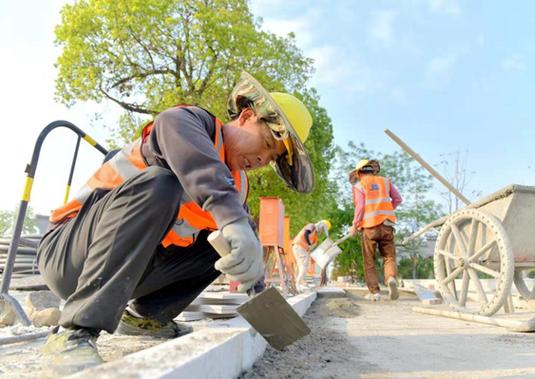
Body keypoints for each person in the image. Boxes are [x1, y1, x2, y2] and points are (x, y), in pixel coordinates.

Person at [38, 72, 315, 375]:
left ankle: (147, 318)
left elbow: (234, 225)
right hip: (67, 255)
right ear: (247, 116)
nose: (261, 158)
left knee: (231, 239)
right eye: (265, 144)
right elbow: (191, 154)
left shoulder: (236, 186)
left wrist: (254, 277)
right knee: (163, 183)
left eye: (270, 158)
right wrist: (233, 219)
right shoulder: (188, 123)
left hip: (129, 272)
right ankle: (74, 332)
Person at [349, 159, 402, 301]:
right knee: (389, 257)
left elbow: (360, 206)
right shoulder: (385, 181)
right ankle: (391, 278)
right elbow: (397, 199)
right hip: (387, 224)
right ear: (372, 170)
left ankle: (374, 293)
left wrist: (354, 225)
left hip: (369, 227)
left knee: (369, 260)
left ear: (359, 173)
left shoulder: (359, 185)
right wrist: (386, 211)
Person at [292, 220, 331, 291]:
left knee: (301, 266)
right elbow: (306, 234)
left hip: (301, 248)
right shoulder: (311, 226)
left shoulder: (315, 237)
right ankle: (298, 283)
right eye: (322, 229)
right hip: (299, 246)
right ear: (320, 225)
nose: (321, 231)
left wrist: (312, 247)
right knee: (304, 266)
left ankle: (300, 283)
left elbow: (312, 246)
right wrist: (309, 244)